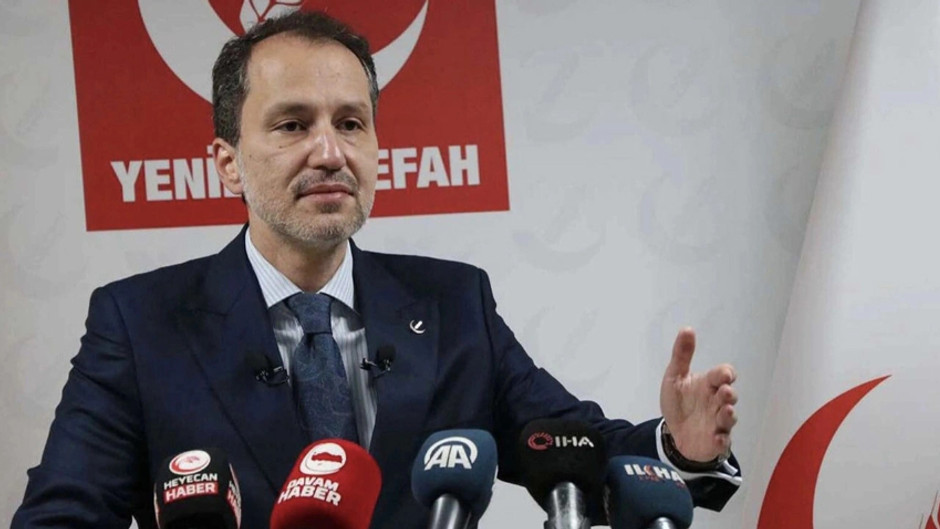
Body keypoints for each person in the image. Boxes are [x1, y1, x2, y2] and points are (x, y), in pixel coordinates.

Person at [12, 11, 741, 529]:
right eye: (293, 124)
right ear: (228, 162)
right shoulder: (139, 323)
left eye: (351, 123)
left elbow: (566, 446)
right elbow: (63, 513)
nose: (330, 152)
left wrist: (677, 447)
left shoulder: (454, 301)